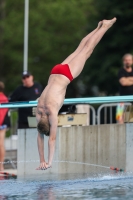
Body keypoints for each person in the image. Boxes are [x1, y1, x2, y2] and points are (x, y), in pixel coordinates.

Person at [36, 18, 117, 170]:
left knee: (88, 49)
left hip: (66, 75)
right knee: (81, 47)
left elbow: (51, 140)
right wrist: (41, 159)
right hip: (55, 72)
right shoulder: (39, 110)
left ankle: (105, 27)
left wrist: (49, 162)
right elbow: (39, 137)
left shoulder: (52, 113)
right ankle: (98, 26)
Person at [0, 82, 10, 171]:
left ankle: (1, 166)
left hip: (1, 123)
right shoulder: (5, 98)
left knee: (1, 145)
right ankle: (1, 166)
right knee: (1, 144)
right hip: (3, 123)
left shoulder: (2, 98)